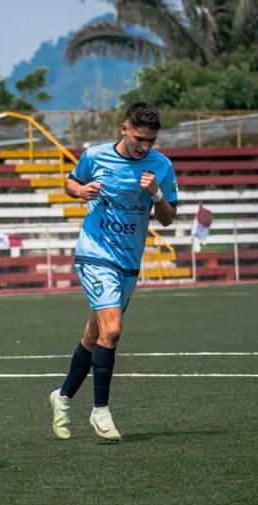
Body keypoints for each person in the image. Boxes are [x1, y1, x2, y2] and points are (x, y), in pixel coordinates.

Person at [48, 102, 178, 442]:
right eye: (138, 138)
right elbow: (71, 183)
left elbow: (168, 219)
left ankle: (62, 397)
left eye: (150, 140)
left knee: (95, 336)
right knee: (114, 329)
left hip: (129, 261)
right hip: (95, 253)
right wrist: (80, 191)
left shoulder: (162, 166)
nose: (144, 146)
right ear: (123, 129)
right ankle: (100, 411)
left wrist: (156, 194)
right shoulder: (95, 156)